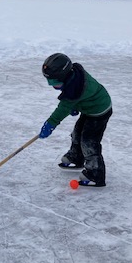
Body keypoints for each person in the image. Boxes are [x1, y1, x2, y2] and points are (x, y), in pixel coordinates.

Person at [39, 53, 113, 187]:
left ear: (64, 76)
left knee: (89, 141)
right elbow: (74, 99)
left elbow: (63, 108)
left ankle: (95, 173)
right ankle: (77, 157)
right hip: (89, 108)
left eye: (56, 83)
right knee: (77, 133)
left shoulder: (75, 89)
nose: (53, 86)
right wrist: (77, 104)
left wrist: (51, 124)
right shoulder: (74, 79)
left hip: (99, 111)